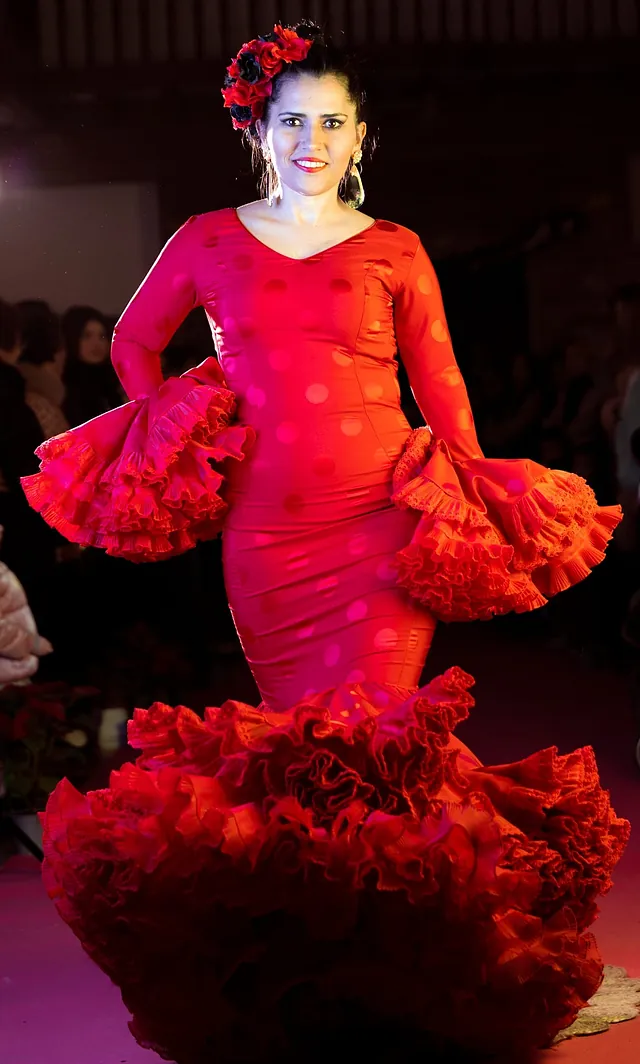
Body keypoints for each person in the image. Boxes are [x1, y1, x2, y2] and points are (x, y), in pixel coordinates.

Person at [23, 22, 629, 1064]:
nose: (314, 139)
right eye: (293, 121)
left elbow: (437, 378)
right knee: (302, 742)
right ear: (259, 130)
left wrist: (469, 479)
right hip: (266, 529)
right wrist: (179, 423)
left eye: (334, 123)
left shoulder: (394, 244)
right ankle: (324, 981)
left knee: (386, 742)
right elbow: (133, 339)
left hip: (380, 516)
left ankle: (414, 982)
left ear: (361, 137)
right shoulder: (207, 238)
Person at [61, 304, 124, 426]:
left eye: (102, 336)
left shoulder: (114, 383)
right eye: (87, 336)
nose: (97, 344)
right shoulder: (66, 386)